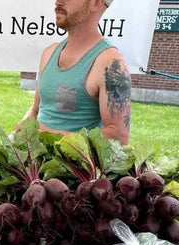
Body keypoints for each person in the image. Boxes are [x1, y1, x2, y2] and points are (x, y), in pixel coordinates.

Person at [17, 0, 131, 145]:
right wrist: (20, 131)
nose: (58, 1)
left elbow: (119, 137)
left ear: (95, 3)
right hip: (34, 161)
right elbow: (35, 110)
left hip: (74, 165)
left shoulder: (111, 63)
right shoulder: (49, 53)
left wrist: (47, 135)